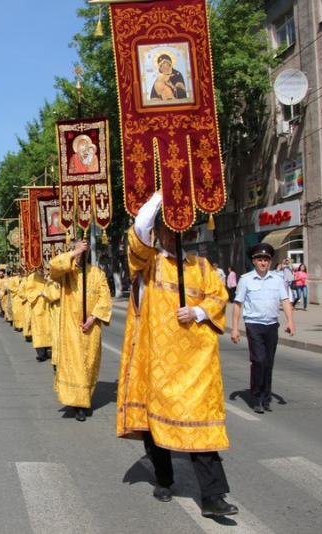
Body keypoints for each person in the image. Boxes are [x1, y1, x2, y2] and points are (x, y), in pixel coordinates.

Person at [116, 191, 238, 517]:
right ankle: (164, 479)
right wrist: (165, 190)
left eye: (177, 228)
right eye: (165, 229)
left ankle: (213, 497)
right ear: (158, 233)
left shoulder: (201, 266)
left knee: (203, 431)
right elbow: (139, 228)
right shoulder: (147, 264)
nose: (171, 235)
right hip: (156, 363)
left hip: (196, 366)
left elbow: (218, 296)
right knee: (157, 429)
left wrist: (197, 312)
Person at [50, 240, 112, 421]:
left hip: (92, 328)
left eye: (82, 253)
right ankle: (79, 405)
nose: (79, 255)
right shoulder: (66, 272)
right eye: (77, 252)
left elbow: (105, 299)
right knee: (75, 364)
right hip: (71, 326)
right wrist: (72, 252)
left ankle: (85, 397)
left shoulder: (97, 273)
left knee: (89, 365)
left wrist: (93, 318)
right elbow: (53, 266)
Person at [231, 242, 296, 414]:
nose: (263, 262)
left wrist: (290, 321)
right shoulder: (246, 280)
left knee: (268, 362)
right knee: (258, 360)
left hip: (271, 325)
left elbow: (285, 301)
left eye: (266, 259)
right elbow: (238, 304)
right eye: (259, 259)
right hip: (254, 324)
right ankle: (257, 398)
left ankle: (266, 398)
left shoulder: (277, 279)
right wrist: (235, 328)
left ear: (269, 262)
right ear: (254, 261)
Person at [26, 268, 52, 362]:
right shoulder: (32, 277)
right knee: (39, 329)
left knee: (49, 328)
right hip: (38, 306)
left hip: (49, 306)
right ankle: (41, 353)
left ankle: (49, 349)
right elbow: (28, 293)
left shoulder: (49, 276)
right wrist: (39, 293)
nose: (44, 269)